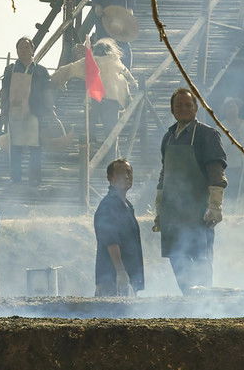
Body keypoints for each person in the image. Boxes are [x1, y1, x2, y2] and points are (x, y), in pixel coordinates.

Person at [155, 88, 227, 294]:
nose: (183, 109)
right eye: (178, 105)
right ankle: (188, 300)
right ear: (172, 110)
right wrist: (159, 208)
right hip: (172, 213)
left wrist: (215, 206)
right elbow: (164, 173)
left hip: (198, 212)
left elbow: (216, 171)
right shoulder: (168, 137)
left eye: (188, 105)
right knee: (177, 258)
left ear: (196, 109)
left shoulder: (207, 135)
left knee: (201, 259)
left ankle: (204, 306)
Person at [51, 39, 138, 151]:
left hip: (95, 97)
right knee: (111, 130)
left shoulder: (90, 61)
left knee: (90, 123)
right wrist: (134, 84)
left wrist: (55, 79)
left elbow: (70, 68)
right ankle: (111, 155)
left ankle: (91, 146)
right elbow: (127, 73)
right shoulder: (115, 61)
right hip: (113, 98)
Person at [0, 37, 53, 185]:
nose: (23, 50)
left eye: (26, 47)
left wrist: (50, 109)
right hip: (15, 111)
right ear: (17, 50)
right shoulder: (10, 69)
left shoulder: (40, 70)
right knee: (15, 147)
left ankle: (34, 179)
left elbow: (46, 91)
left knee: (35, 147)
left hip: (34, 112)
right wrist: (4, 110)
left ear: (32, 50)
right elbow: (5, 91)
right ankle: (15, 179)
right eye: (20, 48)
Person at [94, 158, 144, 297]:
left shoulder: (127, 206)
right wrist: (120, 271)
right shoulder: (108, 205)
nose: (127, 176)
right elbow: (111, 241)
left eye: (129, 172)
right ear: (110, 178)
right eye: (121, 172)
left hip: (127, 279)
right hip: (111, 278)